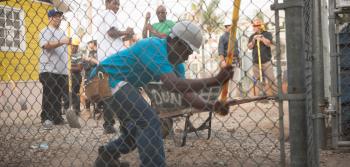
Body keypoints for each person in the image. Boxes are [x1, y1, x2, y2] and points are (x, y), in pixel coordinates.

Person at [92, 21, 234, 167]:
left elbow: (187, 95)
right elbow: (173, 84)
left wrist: (212, 106)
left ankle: (107, 155)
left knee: (137, 129)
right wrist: (216, 80)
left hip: (118, 83)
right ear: (174, 41)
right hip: (103, 78)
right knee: (148, 120)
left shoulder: (176, 64)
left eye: (190, 54)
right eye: (186, 51)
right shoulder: (153, 46)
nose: (187, 57)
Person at [93, 0, 135, 133]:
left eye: (118, 4)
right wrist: (125, 31)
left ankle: (109, 124)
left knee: (108, 92)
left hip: (105, 59)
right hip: (113, 60)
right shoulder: (109, 13)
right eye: (114, 3)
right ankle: (124, 123)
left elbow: (111, 38)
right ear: (107, 3)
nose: (117, 6)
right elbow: (112, 33)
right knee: (120, 89)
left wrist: (124, 36)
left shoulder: (102, 16)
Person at [39, 9, 71, 130]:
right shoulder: (45, 31)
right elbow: (46, 45)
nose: (58, 18)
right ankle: (46, 118)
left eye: (59, 16)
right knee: (49, 93)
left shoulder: (62, 32)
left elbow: (64, 44)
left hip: (61, 69)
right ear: (49, 18)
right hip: (48, 68)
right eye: (55, 16)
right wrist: (62, 41)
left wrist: (68, 41)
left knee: (58, 94)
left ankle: (57, 117)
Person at [247, 18, 276, 96]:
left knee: (271, 79)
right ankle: (258, 97)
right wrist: (254, 39)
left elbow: (268, 43)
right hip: (256, 62)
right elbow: (249, 47)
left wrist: (262, 38)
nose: (254, 27)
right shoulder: (252, 36)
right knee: (257, 81)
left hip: (266, 61)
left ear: (260, 26)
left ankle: (276, 96)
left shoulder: (267, 34)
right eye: (254, 26)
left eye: (256, 25)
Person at [218, 19, 240, 97]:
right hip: (227, 60)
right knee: (226, 80)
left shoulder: (234, 37)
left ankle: (232, 97)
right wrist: (223, 61)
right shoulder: (223, 37)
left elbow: (237, 50)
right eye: (231, 26)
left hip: (235, 60)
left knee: (235, 79)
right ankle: (223, 97)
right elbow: (220, 50)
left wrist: (238, 61)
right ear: (227, 26)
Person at [70, 40, 83, 115]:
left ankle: (76, 110)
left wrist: (69, 67)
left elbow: (79, 68)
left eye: (75, 46)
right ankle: (66, 109)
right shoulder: (67, 54)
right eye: (72, 46)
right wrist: (73, 66)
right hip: (68, 76)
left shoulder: (78, 55)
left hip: (76, 76)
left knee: (75, 93)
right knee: (66, 93)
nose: (73, 48)